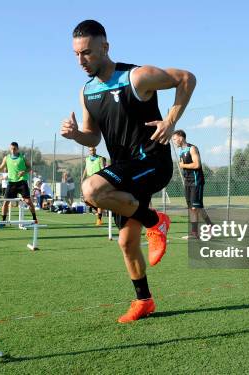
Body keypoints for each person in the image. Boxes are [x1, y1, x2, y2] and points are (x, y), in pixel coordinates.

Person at [61, 20, 195, 322]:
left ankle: (155, 221)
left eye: (88, 53)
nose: (81, 61)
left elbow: (187, 78)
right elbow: (92, 137)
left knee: (91, 189)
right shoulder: (87, 92)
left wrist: (171, 120)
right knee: (126, 242)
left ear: (105, 48)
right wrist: (74, 136)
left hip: (152, 162)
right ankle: (144, 301)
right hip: (124, 168)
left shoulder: (137, 77)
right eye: (76, 54)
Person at [172, 130, 212, 239]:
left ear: (181, 138)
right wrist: (183, 166)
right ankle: (209, 226)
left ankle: (195, 233)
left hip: (196, 181)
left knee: (195, 208)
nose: (174, 142)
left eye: (175, 139)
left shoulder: (192, 148)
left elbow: (197, 165)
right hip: (187, 182)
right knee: (193, 207)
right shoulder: (181, 151)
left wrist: (183, 165)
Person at [0, 142, 38, 226]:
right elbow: (1, 167)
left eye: (14, 149)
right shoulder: (7, 158)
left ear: (17, 149)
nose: (13, 150)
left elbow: (30, 168)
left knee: (28, 201)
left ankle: (34, 219)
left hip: (22, 182)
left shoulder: (22, 157)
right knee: (5, 202)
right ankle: (3, 222)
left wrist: (24, 172)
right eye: (11, 149)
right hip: (11, 183)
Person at [81, 146, 107, 225]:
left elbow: (103, 168)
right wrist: (82, 178)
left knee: (98, 200)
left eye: (93, 150)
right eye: (90, 150)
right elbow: (86, 168)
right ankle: (100, 209)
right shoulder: (87, 158)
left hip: (97, 179)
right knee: (86, 199)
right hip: (89, 180)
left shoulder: (100, 158)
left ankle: (99, 219)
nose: (92, 151)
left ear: (95, 150)